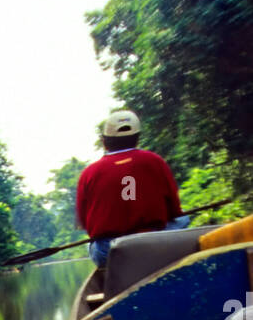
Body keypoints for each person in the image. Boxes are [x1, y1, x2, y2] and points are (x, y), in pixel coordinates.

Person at [76, 110, 190, 268]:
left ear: (104, 142)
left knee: (92, 245)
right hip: (153, 241)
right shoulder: (156, 161)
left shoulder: (88, 173)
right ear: (137, 138)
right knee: (183, 219)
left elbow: (85, 224)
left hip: (111, 250)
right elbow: (175, 211)